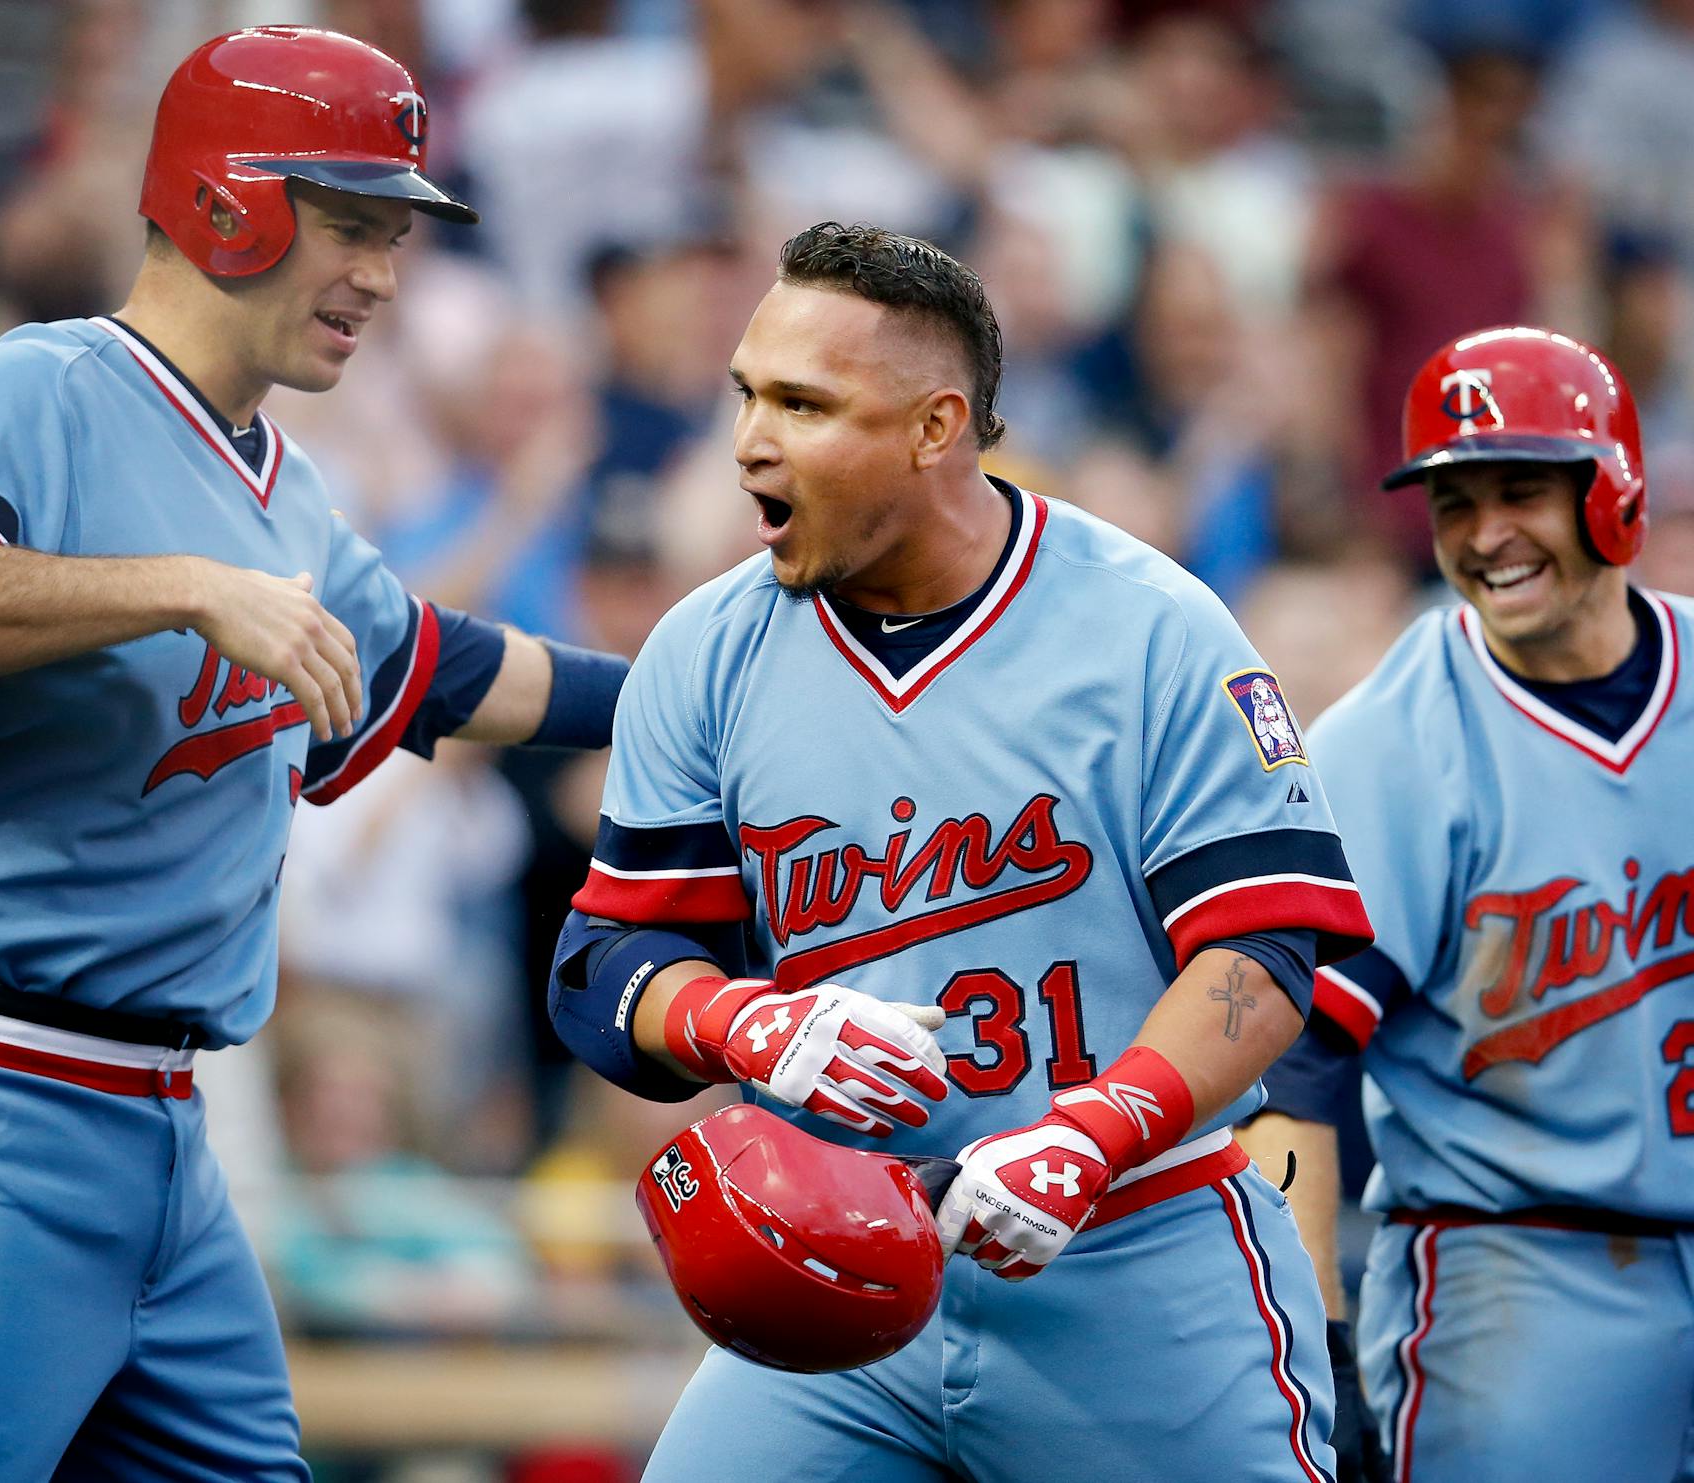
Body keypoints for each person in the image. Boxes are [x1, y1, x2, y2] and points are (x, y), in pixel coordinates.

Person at [0, 28, 625, 1481]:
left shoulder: (285, 490)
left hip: (174, 1132)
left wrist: (732, 693)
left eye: (396, 235)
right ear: (230, 193)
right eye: (354, 224)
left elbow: (465, 670)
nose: (382, 272)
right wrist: (176, 583)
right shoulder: (37, 389)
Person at [547, 220, 1377, 1483]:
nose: (750, 443)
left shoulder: (1153, 628)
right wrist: (740, 1024)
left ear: (936, 427)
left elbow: (1264, 959)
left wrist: (1093, 1130)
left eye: (804, 404)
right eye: (748, 396)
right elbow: (601, 962)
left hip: (1134, 1255)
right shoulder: (706, 648)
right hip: (838, 1276)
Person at [1243, 326, 1694, 1483]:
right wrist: (1316, 1351)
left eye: (1521, 489)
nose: (1484, 533)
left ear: (1614, 492)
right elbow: (1293, 1064)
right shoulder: (1388, 736)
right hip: (1505, 1284)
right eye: (1454, 501)